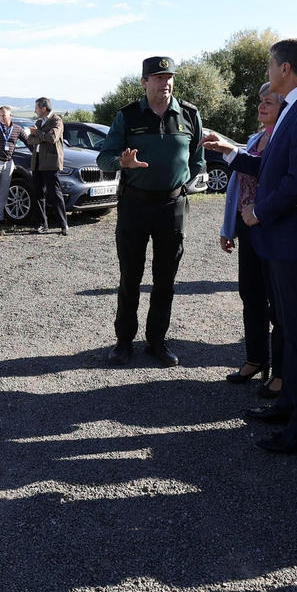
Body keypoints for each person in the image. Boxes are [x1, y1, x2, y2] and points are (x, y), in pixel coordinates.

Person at [203, 38, 297, 455]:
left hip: (295, 239)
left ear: (285, 68)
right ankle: (287, 406)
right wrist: (231, 153)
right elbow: (271, 165)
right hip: (283, 238)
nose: (267, 71)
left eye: (270, 64)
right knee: (287, 327)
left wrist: (257, 213)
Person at [96, 56, 205, 367]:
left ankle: (157, 340)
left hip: (172, 206)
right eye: (158, 78)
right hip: (135, 205)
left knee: (165, 279)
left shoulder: (188, 115)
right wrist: (121, 163)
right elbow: (104, 158)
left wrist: (186, 182)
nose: (165, 83)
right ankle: (123, 341)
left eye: (169, 77)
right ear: (144, 82)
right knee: (130, 276)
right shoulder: (128, 116)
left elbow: (197, 158)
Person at [220, 85, 286, 393]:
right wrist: (228, 227)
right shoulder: (254, 139)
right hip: (247, 228)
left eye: (269, 101)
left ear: (284, 107)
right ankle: (256, 359)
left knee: (279, 304)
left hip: (273, 229)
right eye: (260, 99)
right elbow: (237, 187)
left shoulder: (285, 137)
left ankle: (282, 372)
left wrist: (227, 151)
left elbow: (268, 173)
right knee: (251, 296)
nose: (261, 105)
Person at [25, 98, 69, 235]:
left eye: (36, 108)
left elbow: (52, 138)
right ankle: (42, 224)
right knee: (38, 193)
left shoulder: (56, 121)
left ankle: (63, 225)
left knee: (55, 194)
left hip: (50, 163)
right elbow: (29, 140)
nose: (35, 111)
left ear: (44, 109)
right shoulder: (38, 122)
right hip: (37, 162)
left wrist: (37, 134)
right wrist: (40, 136)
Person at [0, 106, 24, 226]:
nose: (2, 117)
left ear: (10, 116)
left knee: (4, 191)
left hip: (9, 162)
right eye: (0, 115)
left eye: (4, 115)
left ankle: (0, 217)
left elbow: (28, 142)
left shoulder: (17, 129)